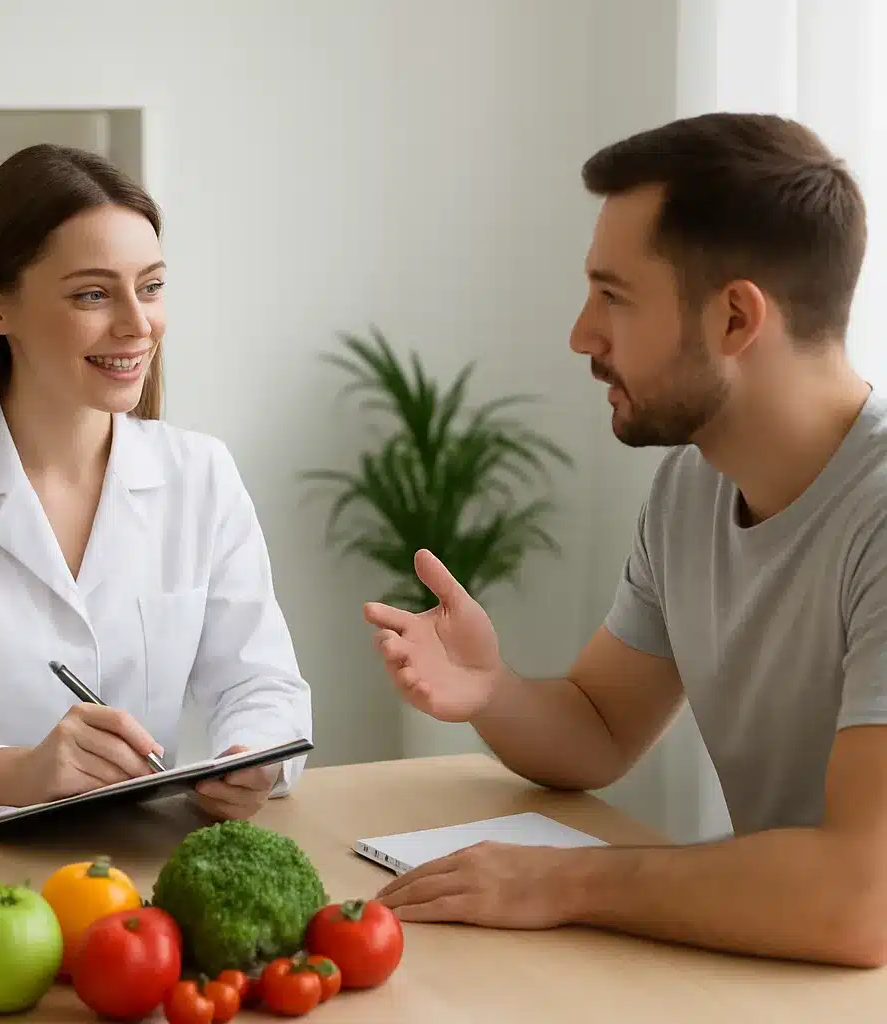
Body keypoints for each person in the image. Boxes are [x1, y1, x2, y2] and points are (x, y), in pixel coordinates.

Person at [364, 112, 887, 968]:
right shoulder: (693, 486)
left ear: (735, 319)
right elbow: (602, 727)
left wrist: (561, 883)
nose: (582, 335)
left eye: (614, 296)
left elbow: (862, 900)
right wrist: (492, 689)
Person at [0, 143, 312, 835]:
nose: (137, 324)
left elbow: (262, 684)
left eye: (151, 287)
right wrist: (20, 772)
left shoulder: (201, 474)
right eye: (93, 295)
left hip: (139, 873)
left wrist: (250, 759)